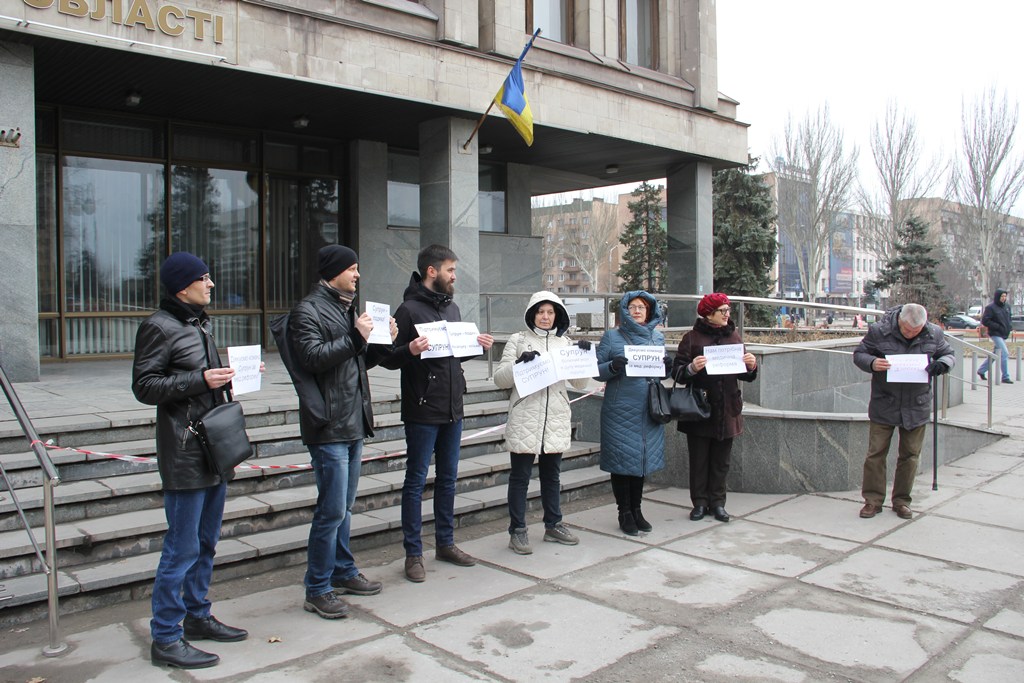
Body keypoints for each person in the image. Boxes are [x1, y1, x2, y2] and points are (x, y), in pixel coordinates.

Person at [132, 252, 251, 669]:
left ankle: (197, 616)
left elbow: (202, 381)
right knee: (180, 549)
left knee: (206, 542)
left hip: (213, 449)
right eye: (204, 278)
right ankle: (165, 636)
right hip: (184, 452)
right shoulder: (158, 326)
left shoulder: (199, 324)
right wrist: (199, 380)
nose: (211, 284)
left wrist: (227, 381)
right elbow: (145, 386)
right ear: (183, 286)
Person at [286, 245, 397, 619]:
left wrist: (380, 342)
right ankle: (317, 588)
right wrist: (355, 336)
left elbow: (356, 362)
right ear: (333, 271)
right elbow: (312, 358)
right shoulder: (308, 310)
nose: (357, 275)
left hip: (352, 420)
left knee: (344, 508)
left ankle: (344, 570)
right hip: (328, 425)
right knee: (331, 509)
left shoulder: (343, 307)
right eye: (351, 268)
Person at [380, 244, 494, 582]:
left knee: (448, 479)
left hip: (453, 407)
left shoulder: (453, 308)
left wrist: (476, 347)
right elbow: (386, 358)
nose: (455, 276)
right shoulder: (408, 310)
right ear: (432, 271)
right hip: (421, 408)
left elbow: (451, 357)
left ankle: (445, 543)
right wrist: (409, 350)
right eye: (450, 270)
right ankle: (413, 554)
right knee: (415, 482)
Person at [493, 291, 589, 554]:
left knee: (552, 476)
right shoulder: (518, 340)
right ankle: (518, 530)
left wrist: (582, 358)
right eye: (540, 312)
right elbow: (499, 379)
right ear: (532, 313)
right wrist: (517, 365)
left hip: (555, 417)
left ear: (557, 315)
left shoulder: (565, 343)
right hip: (525, 417)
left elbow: (581, 384)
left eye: (550, 312)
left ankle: (554, 524)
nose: (545, 317)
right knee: (520, 477)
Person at [853, 303, 954, 520]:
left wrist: (942, 364)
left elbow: (948, 354)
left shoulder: (934, 333)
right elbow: (860, 353)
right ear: (900, 321)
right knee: (876, 454)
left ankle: (901, 501)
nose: (910, 335)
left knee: (910, 456)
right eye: (907, 331)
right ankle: (872, 501)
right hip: (885, 402)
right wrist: (871, 363)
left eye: (915, 332)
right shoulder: (879, 331)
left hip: (917, 404)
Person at [672, 293, 758, 523]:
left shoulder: (734, 337)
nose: (728, 314)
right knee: (699, 460)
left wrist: (750, 367)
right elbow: (677, 373)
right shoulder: (692, 338)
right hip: (699, 409)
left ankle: (718, 503)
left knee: (722, 461)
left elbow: (744, 374)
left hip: (728, 409)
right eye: (723, 311)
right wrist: (691, 367)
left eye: (729, 310)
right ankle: (699, 503)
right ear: (710, 313)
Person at [595, 290, 668, 536]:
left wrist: (666, 368)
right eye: (633, 307)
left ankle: (637, 510)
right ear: (625, 311)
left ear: (650, 312)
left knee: (641, 461)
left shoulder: (656, 339)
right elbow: (596, 370)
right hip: (620, 410)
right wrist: (612, 367)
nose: (637, 311)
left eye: (642, 307)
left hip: (648, 409)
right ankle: (624, 512)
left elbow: (659, 372)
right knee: (621, 462)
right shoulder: (612, 337)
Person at [978, 288, 1012, 384]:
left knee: (995, 354)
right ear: (998, 297)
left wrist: (1010, 326)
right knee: (1004, 353)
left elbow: (1009, 318)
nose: (1004, 298)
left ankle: (981, 370)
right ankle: (1005, 377)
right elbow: (985, 321)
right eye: (1002, 296)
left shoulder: (1007, 307)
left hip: (1003, 333)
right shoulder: (991, 308)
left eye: (1005, 296)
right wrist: (997, 326)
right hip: (995, 333)